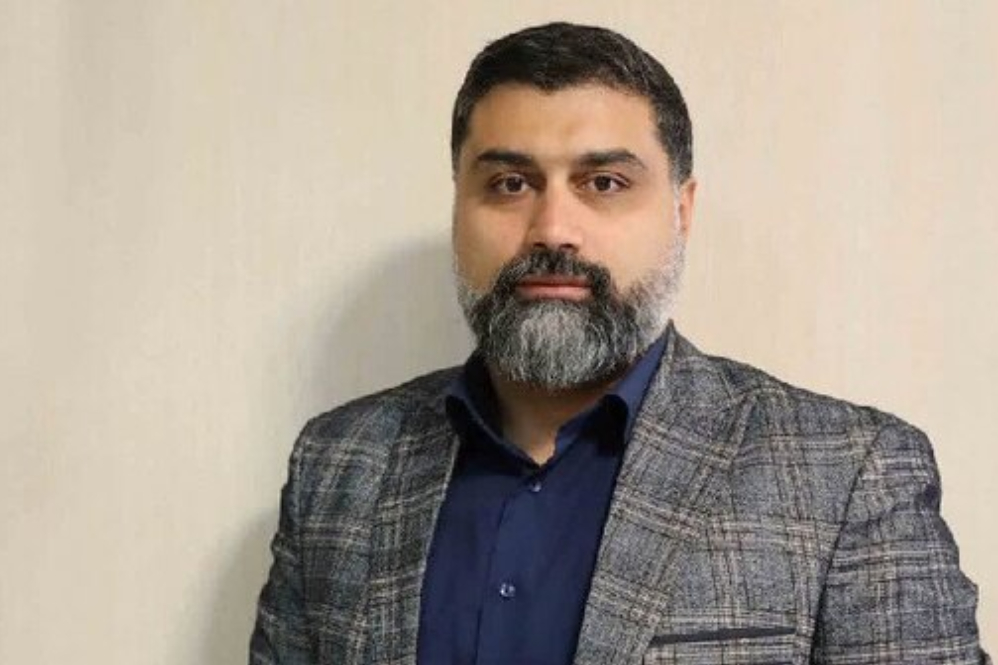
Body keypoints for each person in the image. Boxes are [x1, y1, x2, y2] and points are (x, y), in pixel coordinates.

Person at [249, 22, 989, 665]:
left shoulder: (849, 473)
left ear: (681, 212)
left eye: (603, 182)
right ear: (458, 206)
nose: (551, 229)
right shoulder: (338, 464)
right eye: (509, 183)